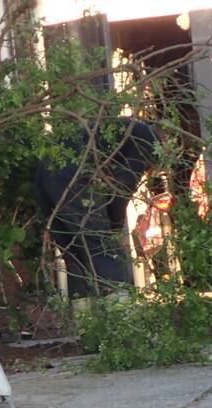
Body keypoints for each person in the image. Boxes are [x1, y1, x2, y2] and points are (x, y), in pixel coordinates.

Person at [35, 118, 158, 297]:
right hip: (70, 177)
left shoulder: (128, 129)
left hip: (46, 172)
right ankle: (121, 307)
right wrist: (114, 227)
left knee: (75, 252)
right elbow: (123, 188)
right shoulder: (147, 139)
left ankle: (82, 307)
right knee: (102, 247)